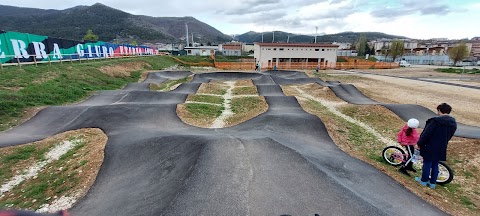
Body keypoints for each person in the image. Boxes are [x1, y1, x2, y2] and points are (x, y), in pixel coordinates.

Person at [416, 103, 457, 189]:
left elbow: (426, 133)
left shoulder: (435, 121)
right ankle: (432, 183)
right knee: (435, 164)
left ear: (439, 110)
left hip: (430, 145)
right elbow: (450, 135)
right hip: (442, 146)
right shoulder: (453, 123)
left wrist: (420, 143)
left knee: (427, 163)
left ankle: (423, 180)